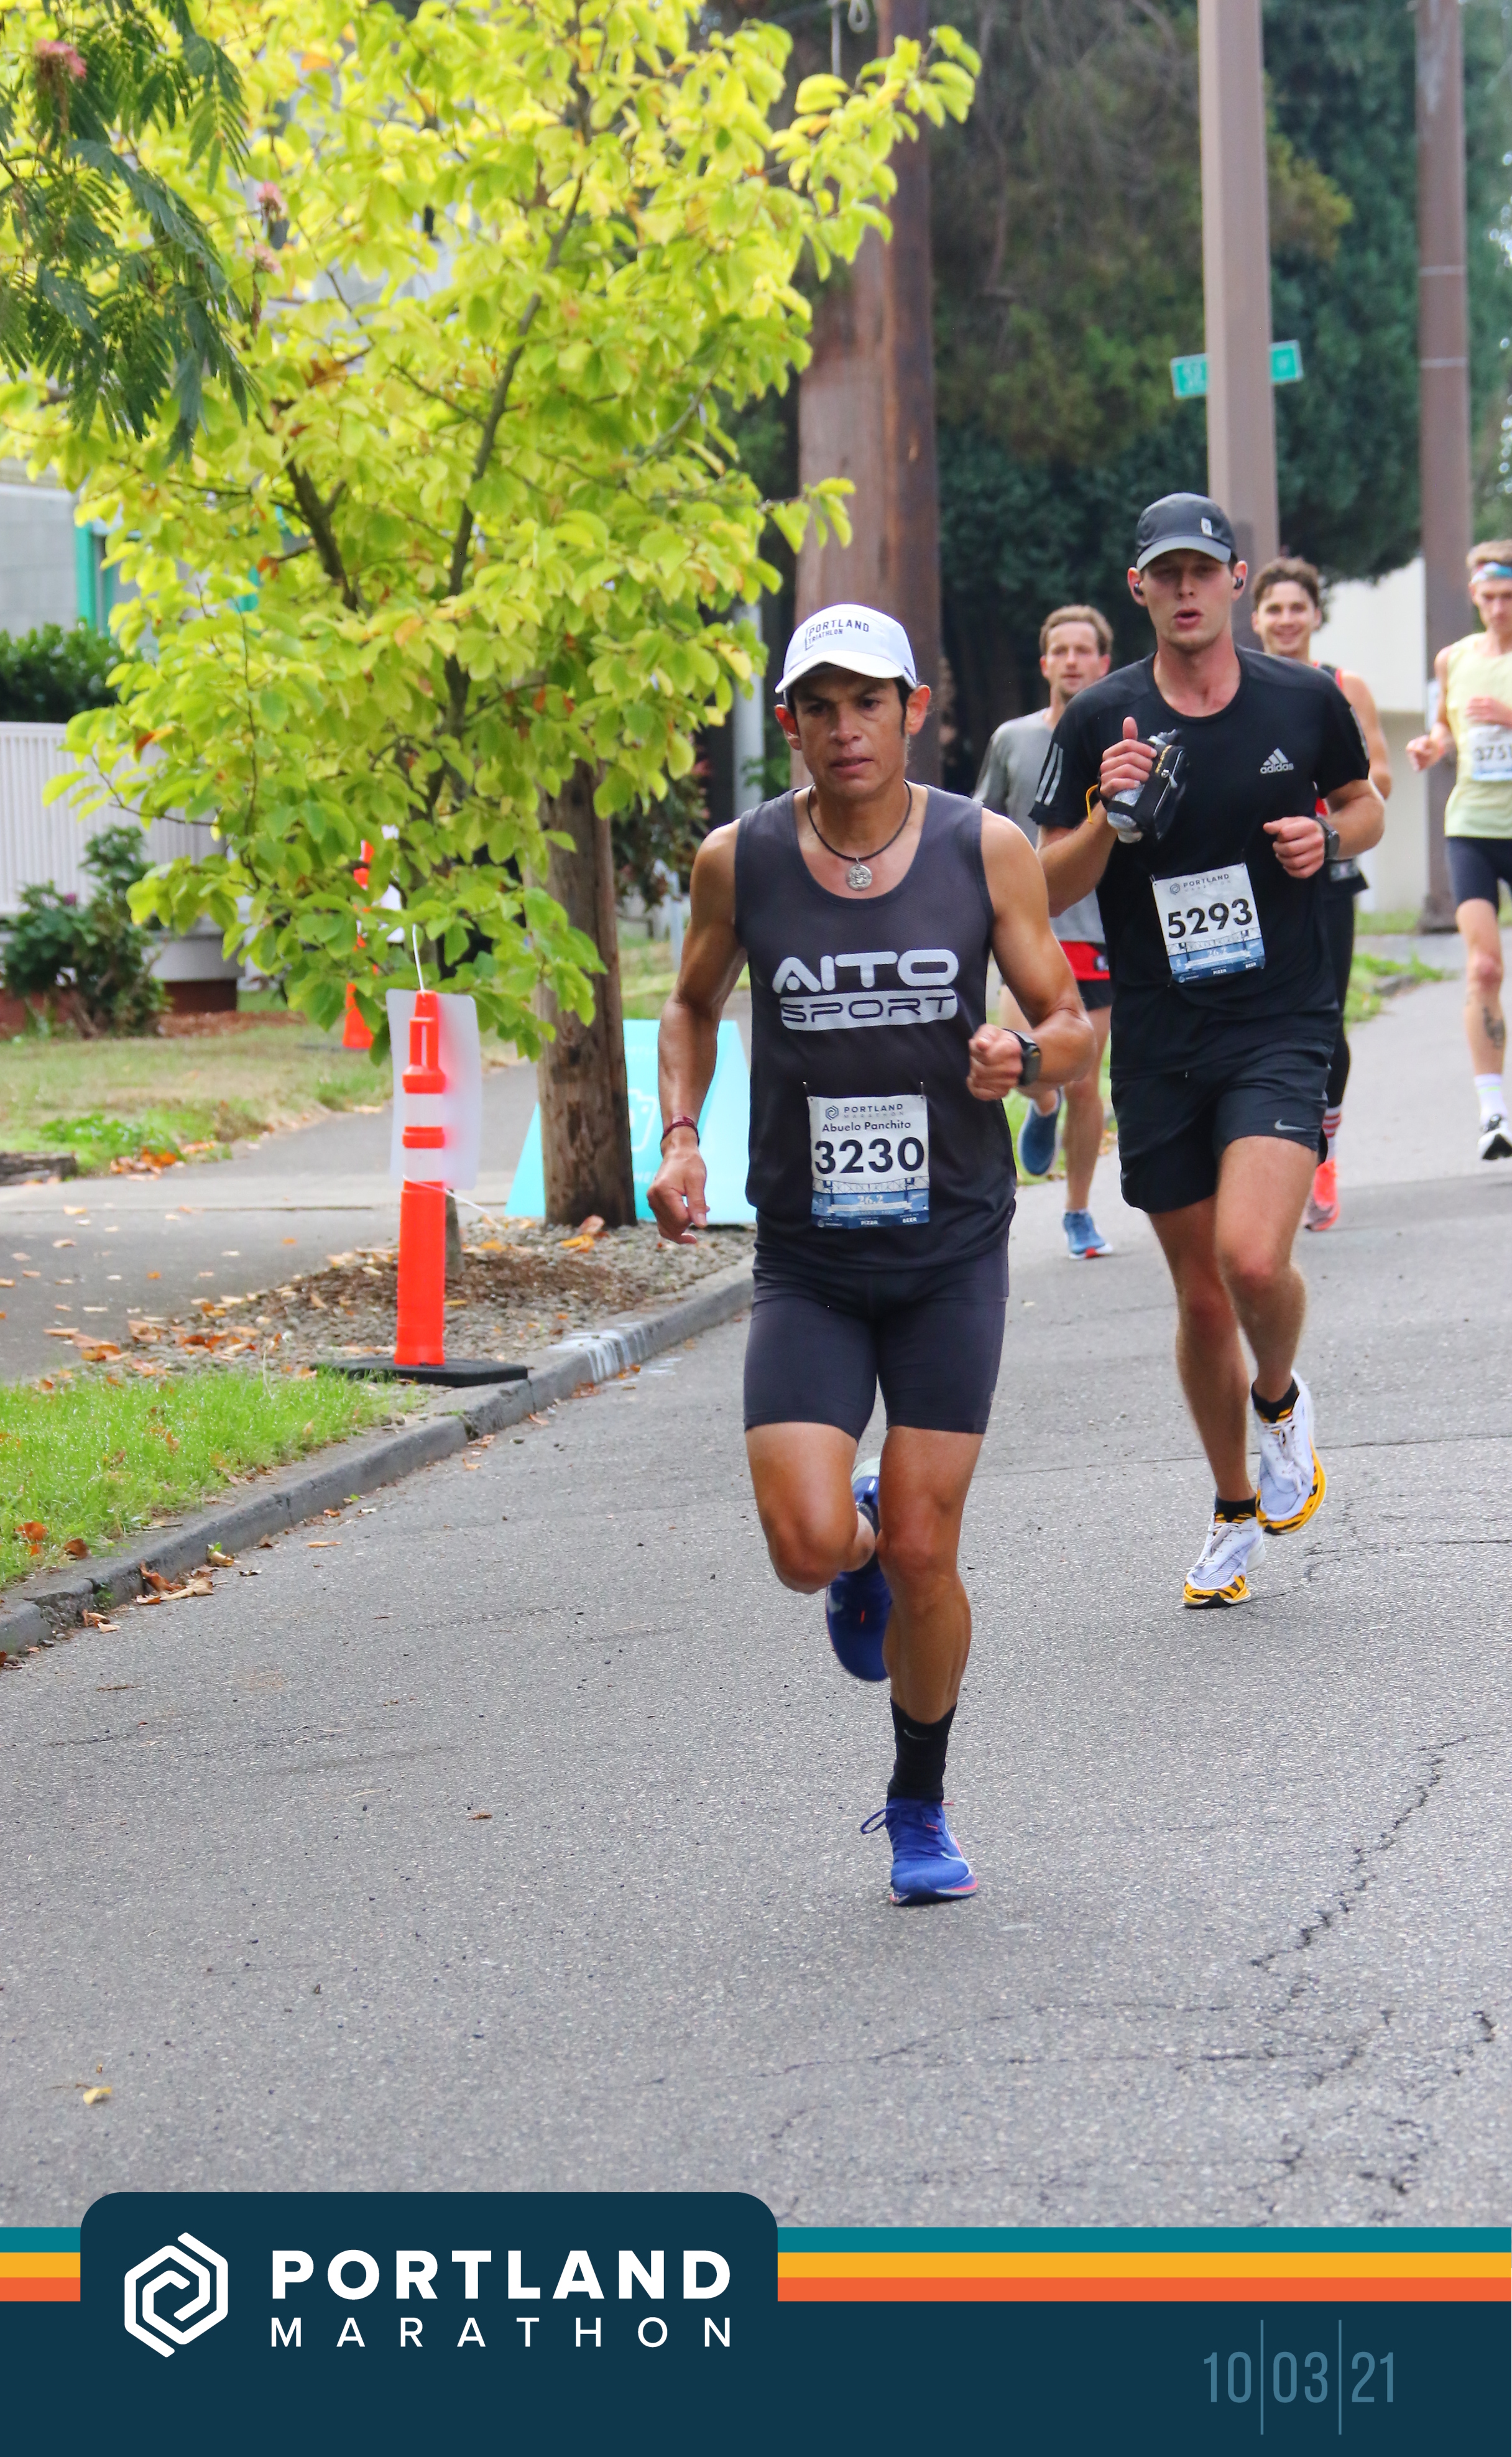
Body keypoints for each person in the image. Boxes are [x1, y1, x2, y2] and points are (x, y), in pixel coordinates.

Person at [649, 602, 1093, 1900]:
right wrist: (680, 1134)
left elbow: (1070, 1022)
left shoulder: (983, 847)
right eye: (820, 706)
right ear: (790, 723)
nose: (845, 728)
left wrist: (1025, 1054)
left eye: (869, 703)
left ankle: (918, 1803)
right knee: (807, 1543)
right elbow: (689, 1003)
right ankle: (852, 1553)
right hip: (810, 1257)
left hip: (949, 1247)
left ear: (915, 711)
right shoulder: (739, 860)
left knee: (923, 1546)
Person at [1033, 496, 1383, 1608]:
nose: (1185, 590)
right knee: (1197, 1299)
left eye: (1202, 570)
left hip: (1279, 1017)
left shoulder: (1302, 698)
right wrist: (1111, 815)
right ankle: (1234, 1507)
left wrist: (1326, 835)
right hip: (1159, 1032)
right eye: (1164, 573)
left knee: (1251, 1262)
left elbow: (1365, 804)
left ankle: (1278, 1397)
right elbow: (1043, 879)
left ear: (1235, 579)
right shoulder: (1101, 718)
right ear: (1138, 587)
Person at [1252, 556, 1393, 1230]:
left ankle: (1322, 1155)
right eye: (1273, 609)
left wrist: (1323, 796)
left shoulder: (1342, 686)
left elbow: (1378, 780)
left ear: (1314, 615)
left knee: (1325, 1018)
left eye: (1296, 608)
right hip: (1259, 872)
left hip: (1328, 868)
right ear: (1256, 618)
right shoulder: (1240, 687)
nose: (1285, 620)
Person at [975, 605, 1117, 1256]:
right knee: (1028, 1060)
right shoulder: (1013, 739)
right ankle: (1041, 1105)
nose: (1071, 660)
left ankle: (1078, 1210)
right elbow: (980, 823)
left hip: (1100, 933)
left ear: (1103, 662)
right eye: (1059, 650)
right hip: (1028, 929)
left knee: (1085, 1078)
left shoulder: (1123, 743)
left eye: (1083, 650)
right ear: (1044, 663)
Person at [1407, 540, 1512, 1161]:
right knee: (1484, 969)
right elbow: (1445, 725)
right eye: (1489, 596)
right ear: (1473, 595)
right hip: (1471, 824)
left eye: (1509, 597)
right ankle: (1492, 1111)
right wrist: (1432, 745)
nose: (1498, 608)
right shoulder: (1453, 660)